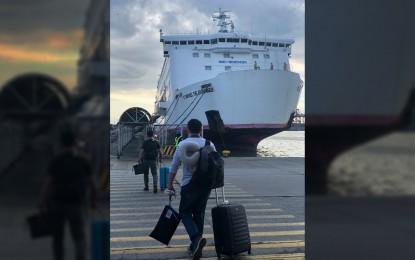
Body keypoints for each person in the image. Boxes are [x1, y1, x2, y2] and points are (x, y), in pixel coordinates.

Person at [38, 130, 97, 260]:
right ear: (74, 143)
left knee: (57, 236)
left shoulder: (56, 161)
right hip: (76, 204)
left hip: (57, 204)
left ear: (61, 144)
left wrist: (41, 203)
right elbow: (92, 184)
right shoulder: (82, 162)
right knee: (79, 236)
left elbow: (47, 184)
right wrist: (93, 200)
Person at [167, 119, 216, 260]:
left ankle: (195, 239)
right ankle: (194, 246)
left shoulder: (182, 144)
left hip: (189, 185)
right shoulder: (209, 144)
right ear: (201, 129)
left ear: (187, 129)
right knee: (199, 214)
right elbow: (216, 163)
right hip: (206, 186)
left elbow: (174, 167)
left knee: (185, 213)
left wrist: (170, 186)